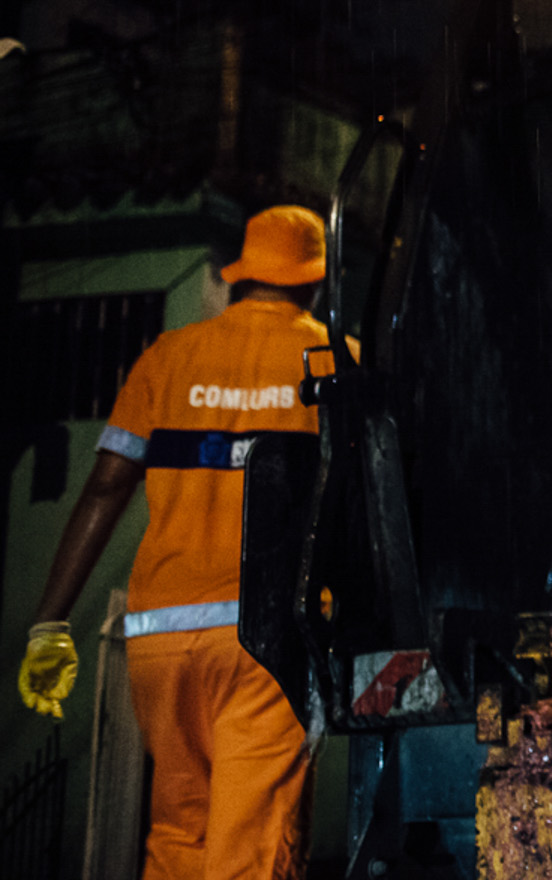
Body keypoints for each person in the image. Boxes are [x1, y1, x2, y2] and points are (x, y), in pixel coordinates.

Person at [18, 206, 336, 880]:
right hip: (265, 643)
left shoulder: (168, 357)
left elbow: (105, 487)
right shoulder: (335, 364)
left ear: (245, 276)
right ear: (313, 282)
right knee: (248, 852)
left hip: (161, 642)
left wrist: (49, 622)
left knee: (179, 838)